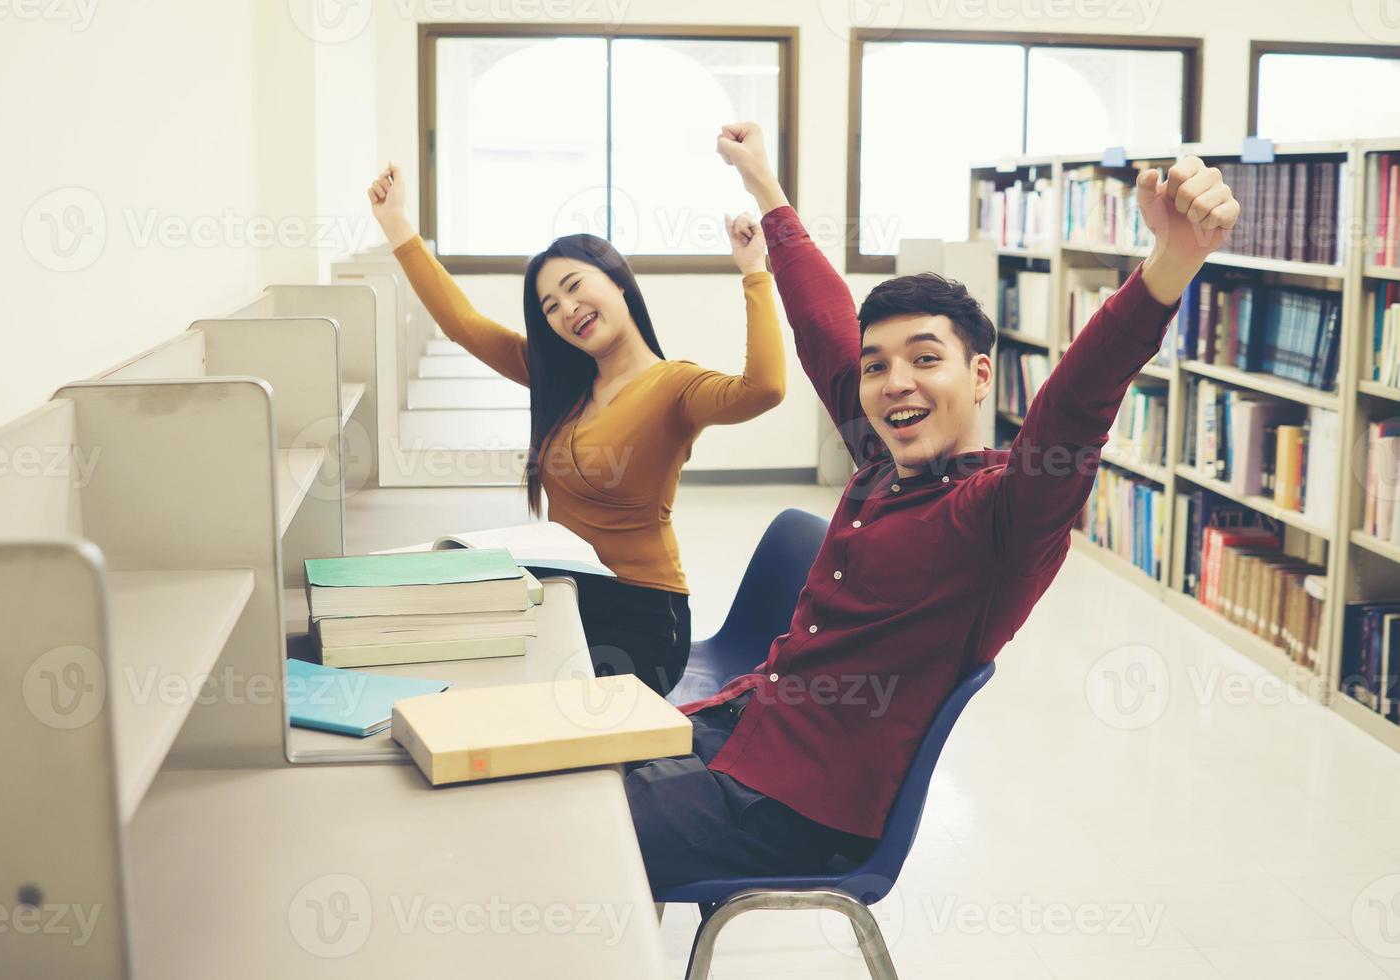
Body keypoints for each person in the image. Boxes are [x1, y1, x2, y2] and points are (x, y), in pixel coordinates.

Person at [623, 123, 1240, 891]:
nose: (894, 383)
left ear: (980, 375)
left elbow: (1078, 403)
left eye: (924, 359)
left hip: (791, 810)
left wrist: (1169, 265)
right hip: (740, 727)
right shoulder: (884, 459)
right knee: (538, 770)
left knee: (557, 837)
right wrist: (765, 188)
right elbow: (822, 324)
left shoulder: (1005, 512)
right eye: (877, 366)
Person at [368, 165, 786, 697]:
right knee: (457, 670)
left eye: (573, 287)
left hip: (643, 620)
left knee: (541, 709)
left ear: (616, 279)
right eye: (550, 308)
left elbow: (765, 388)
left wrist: (754, 271)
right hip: (567, 597)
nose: (568, 311)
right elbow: (463, 325)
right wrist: (398, 225)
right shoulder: (562, 385)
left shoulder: (674, 387)